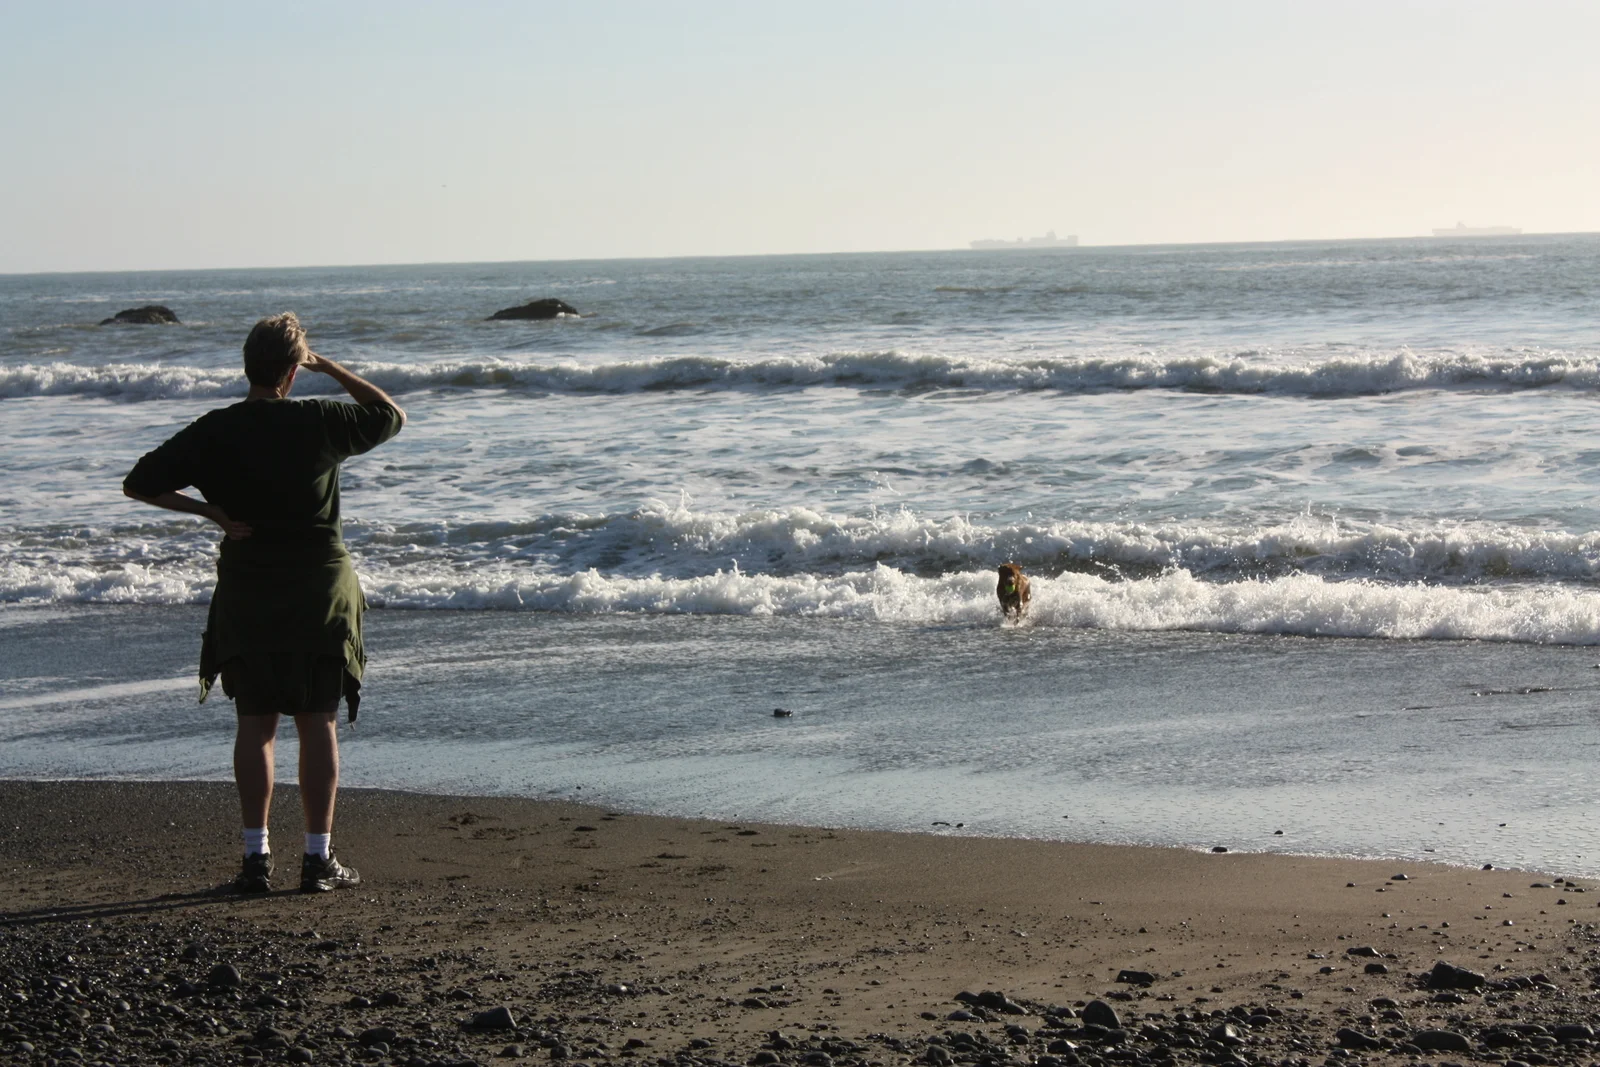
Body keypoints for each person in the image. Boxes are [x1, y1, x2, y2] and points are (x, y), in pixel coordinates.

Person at [123, 312, 405, 893]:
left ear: (247, 365)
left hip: (249, 589)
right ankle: (317, 861)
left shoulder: (216, 429)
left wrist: (210, 511)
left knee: (255, 726)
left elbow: (140, 482)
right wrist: (330, 367)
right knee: (317, 723)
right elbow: (390, 414)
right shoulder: (319, 419)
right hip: (318, 592)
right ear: (293, 370)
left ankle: (256, 862)